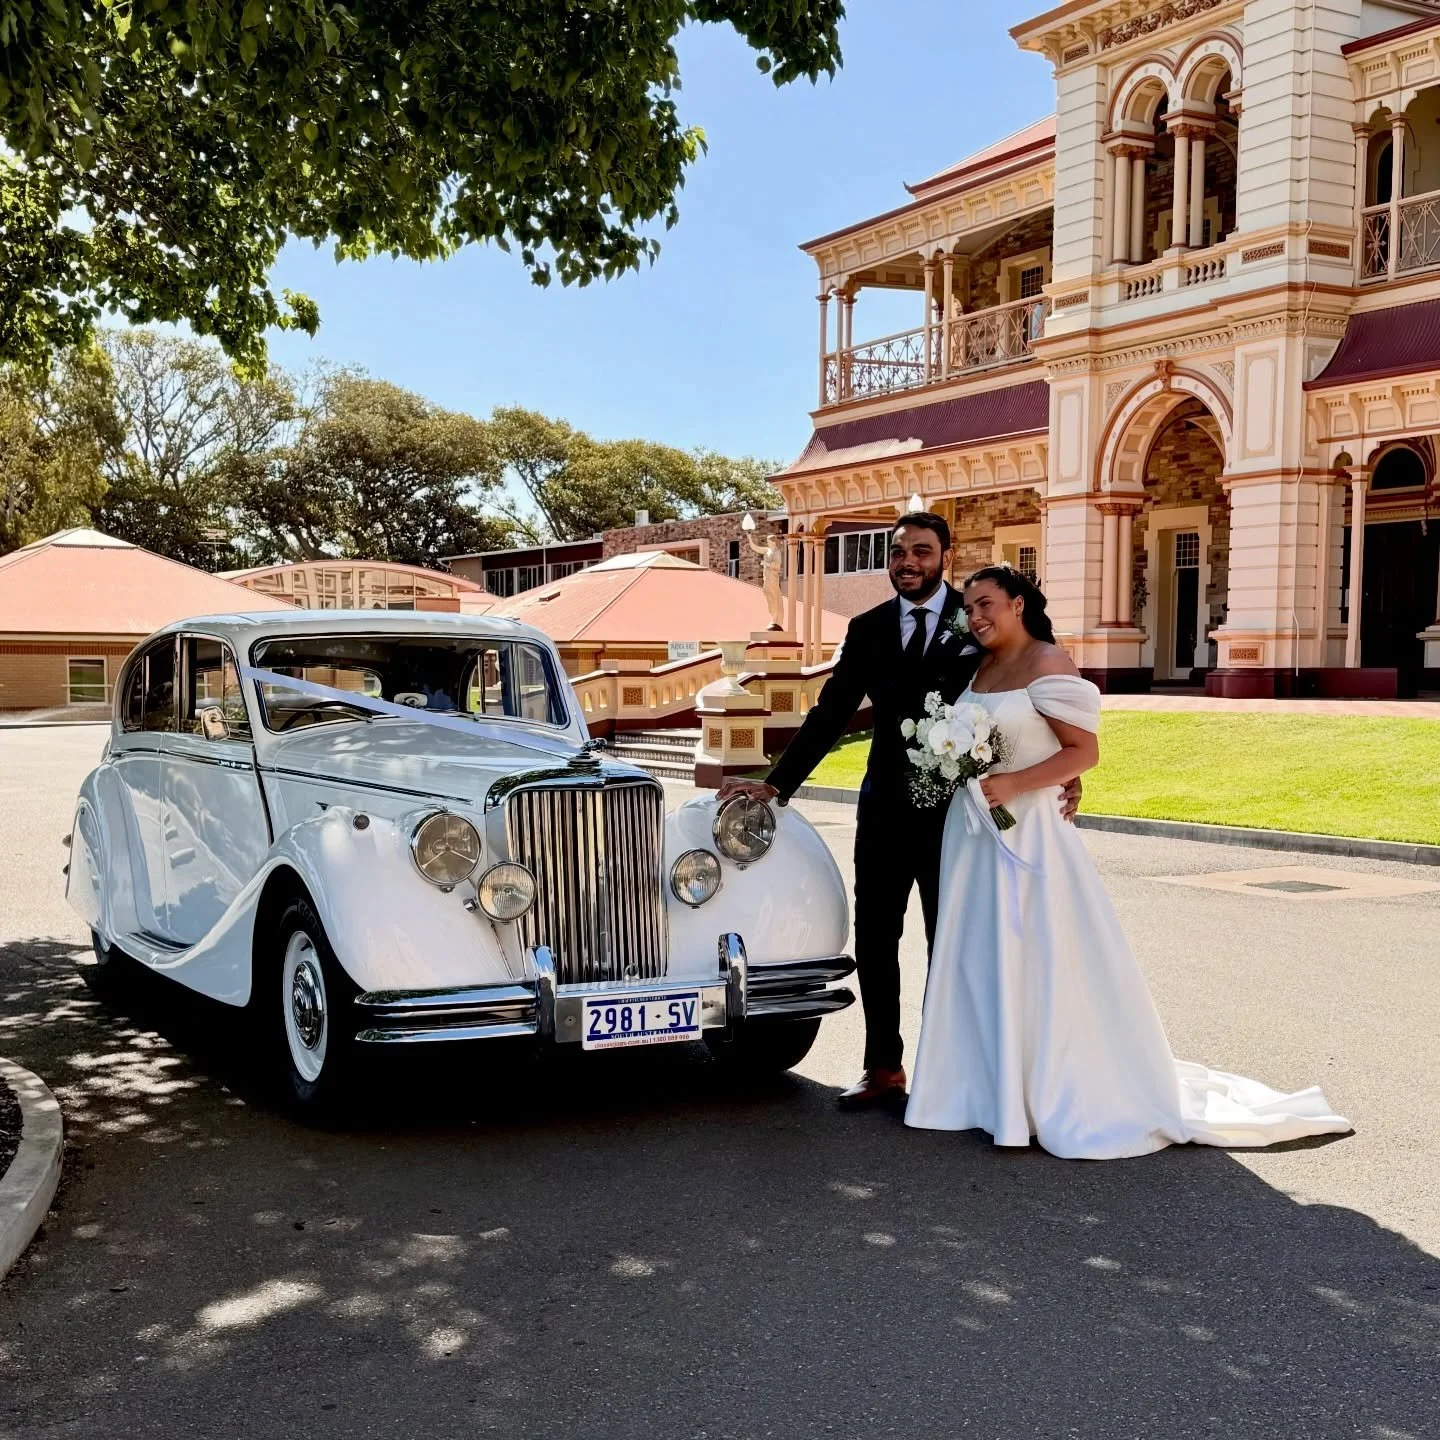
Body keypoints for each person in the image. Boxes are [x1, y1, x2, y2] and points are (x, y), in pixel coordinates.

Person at [904, 566, 1352, 1158]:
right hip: (974, 837)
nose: (977, 615)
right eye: (969, 607)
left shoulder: (1049, 663)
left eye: (986, 602)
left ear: (1017, 603)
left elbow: (1083, 751)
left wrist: (1015, 784)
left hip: (1030, 835)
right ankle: (981, 1089)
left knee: (1036, 951)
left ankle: (1049, 1090)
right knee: (979, 955)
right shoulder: (978, 666)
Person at [718, 514, 1079, 1110]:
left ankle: (950, 1071)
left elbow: (1033, 697)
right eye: (897, 552)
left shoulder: (977, 623)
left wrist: (1066, 777)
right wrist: (776, 785)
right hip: (883, 807)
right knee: (876, 938)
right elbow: (831, 712)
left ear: (946, 556)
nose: (906, 560)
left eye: (920, 550)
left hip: (958, 815)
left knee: (953, 938)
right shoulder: (868, 628)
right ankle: (883, 1067)